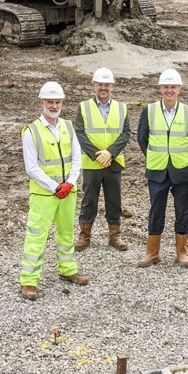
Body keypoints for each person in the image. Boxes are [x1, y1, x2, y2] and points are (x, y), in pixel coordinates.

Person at [19, 81, 88, 300]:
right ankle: (29, 281)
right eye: (50, 101)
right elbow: (31, 168)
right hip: (43, 194)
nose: (54, 105)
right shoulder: (31, 131)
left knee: (66, 232)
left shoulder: (69, 127)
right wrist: (55, 186)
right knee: (37, 236)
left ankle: (68, 270)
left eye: (57, 101)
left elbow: (77, 158)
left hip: (68, 192)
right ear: (41, 102)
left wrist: (70, 182)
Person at [137, 68, 188, 268]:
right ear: (160, 89)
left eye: (173, 87)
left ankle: (182, 252)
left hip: (181, 170)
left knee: (183, 212)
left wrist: (179, 156)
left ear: (179, 89)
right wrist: (155, 157)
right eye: (166, 87)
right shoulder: (149, 110)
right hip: (157, 170)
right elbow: (142, 138)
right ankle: (152, 252)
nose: (169, 90)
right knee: (156, 211)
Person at [74, 67, 130, 253]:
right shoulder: (83, 107)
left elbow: (125, 133)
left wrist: (111, 153)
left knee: (114, 200)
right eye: (100, 84)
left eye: (106, 84)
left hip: (113, 162)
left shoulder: (121, 108)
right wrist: (97, 154)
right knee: (89, 200)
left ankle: (115, 236)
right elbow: (80, 133)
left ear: (112, 86)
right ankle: (84, 236)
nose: (103, 87)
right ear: (93, 86)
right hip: (92, 163)